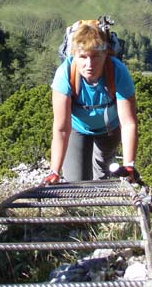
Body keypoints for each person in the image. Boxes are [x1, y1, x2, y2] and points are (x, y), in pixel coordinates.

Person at [42, 21, 138, 184]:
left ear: (105, 54)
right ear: (74, 55)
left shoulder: (117, 71)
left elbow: (128, 123)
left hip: (109, 130)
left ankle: (98, 205)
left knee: (103, 176)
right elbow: (61, 129)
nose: (89, 64)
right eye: (83, 57)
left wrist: (129, 165)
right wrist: (54, 172)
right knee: (76, 181)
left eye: (95, 56)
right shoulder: (65, 74)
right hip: (77, 129)